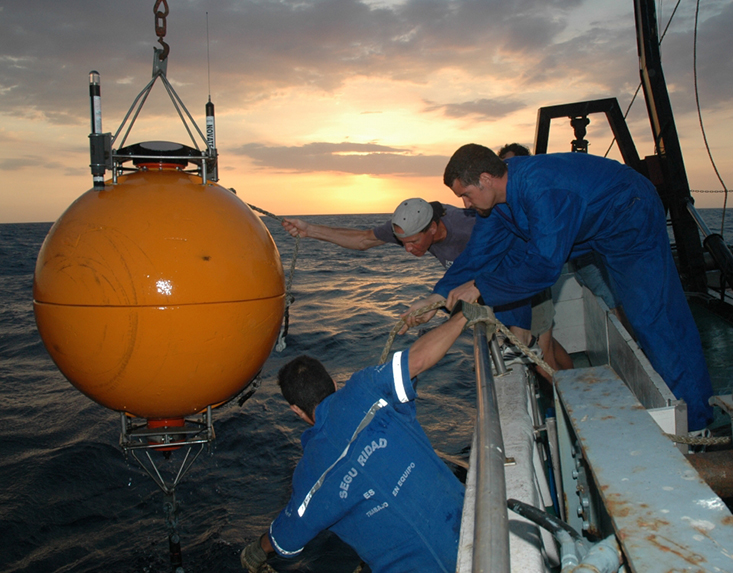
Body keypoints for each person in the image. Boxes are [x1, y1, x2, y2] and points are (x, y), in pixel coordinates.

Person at [403, 143, 714, 431]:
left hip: (629, 215)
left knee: (653, 316)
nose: (465, 204)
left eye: (466, 195)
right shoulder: (496, 205)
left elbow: (543, 267)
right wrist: (437, 295)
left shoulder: (542, 190)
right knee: (508, 257)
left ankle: (696, 420)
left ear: (486, 178)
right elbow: (478, 253)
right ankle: (521, 334)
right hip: (589, 226)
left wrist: (481, 287)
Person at [240, 311, 469, 572]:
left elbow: (284, 538)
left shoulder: (310, 475)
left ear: (296, 411)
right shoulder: (367, 386)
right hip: (471, 530)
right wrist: (461, 317)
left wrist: (258, 550)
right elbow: (417, 359)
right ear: (334, 383)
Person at [283, 198, 535, 345]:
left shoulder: (470, 229)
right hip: (484, 291)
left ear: (433, 229)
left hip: (523, 279)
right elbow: (364, 239)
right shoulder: (408, 228)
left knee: (540, 352)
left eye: (413, 242)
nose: (407, 249)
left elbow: (516, 264)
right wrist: (309, 231)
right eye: (403, 242)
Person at [497, 143, 573, 375]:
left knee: (542, 356)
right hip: (524, 283)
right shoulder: (505, 205)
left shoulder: (534, 198)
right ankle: (572, 380)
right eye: (504, 166)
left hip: (535, 282)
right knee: (548, 345)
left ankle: (570, 406)